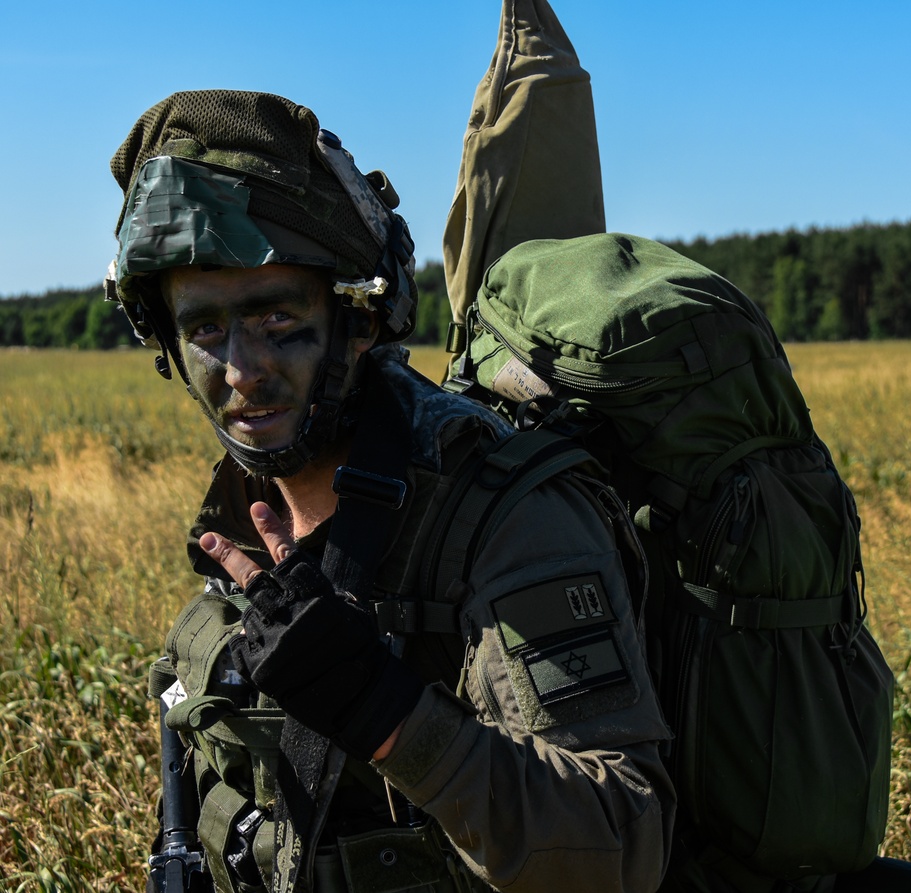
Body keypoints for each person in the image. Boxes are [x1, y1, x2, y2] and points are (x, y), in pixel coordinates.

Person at [107, 85, 673, 893]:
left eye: (276, 321)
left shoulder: (506, 519)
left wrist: (386, 714)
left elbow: (619, 844)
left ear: (360, 321)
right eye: (204, 329)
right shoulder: (242, 514)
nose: (240, 371)